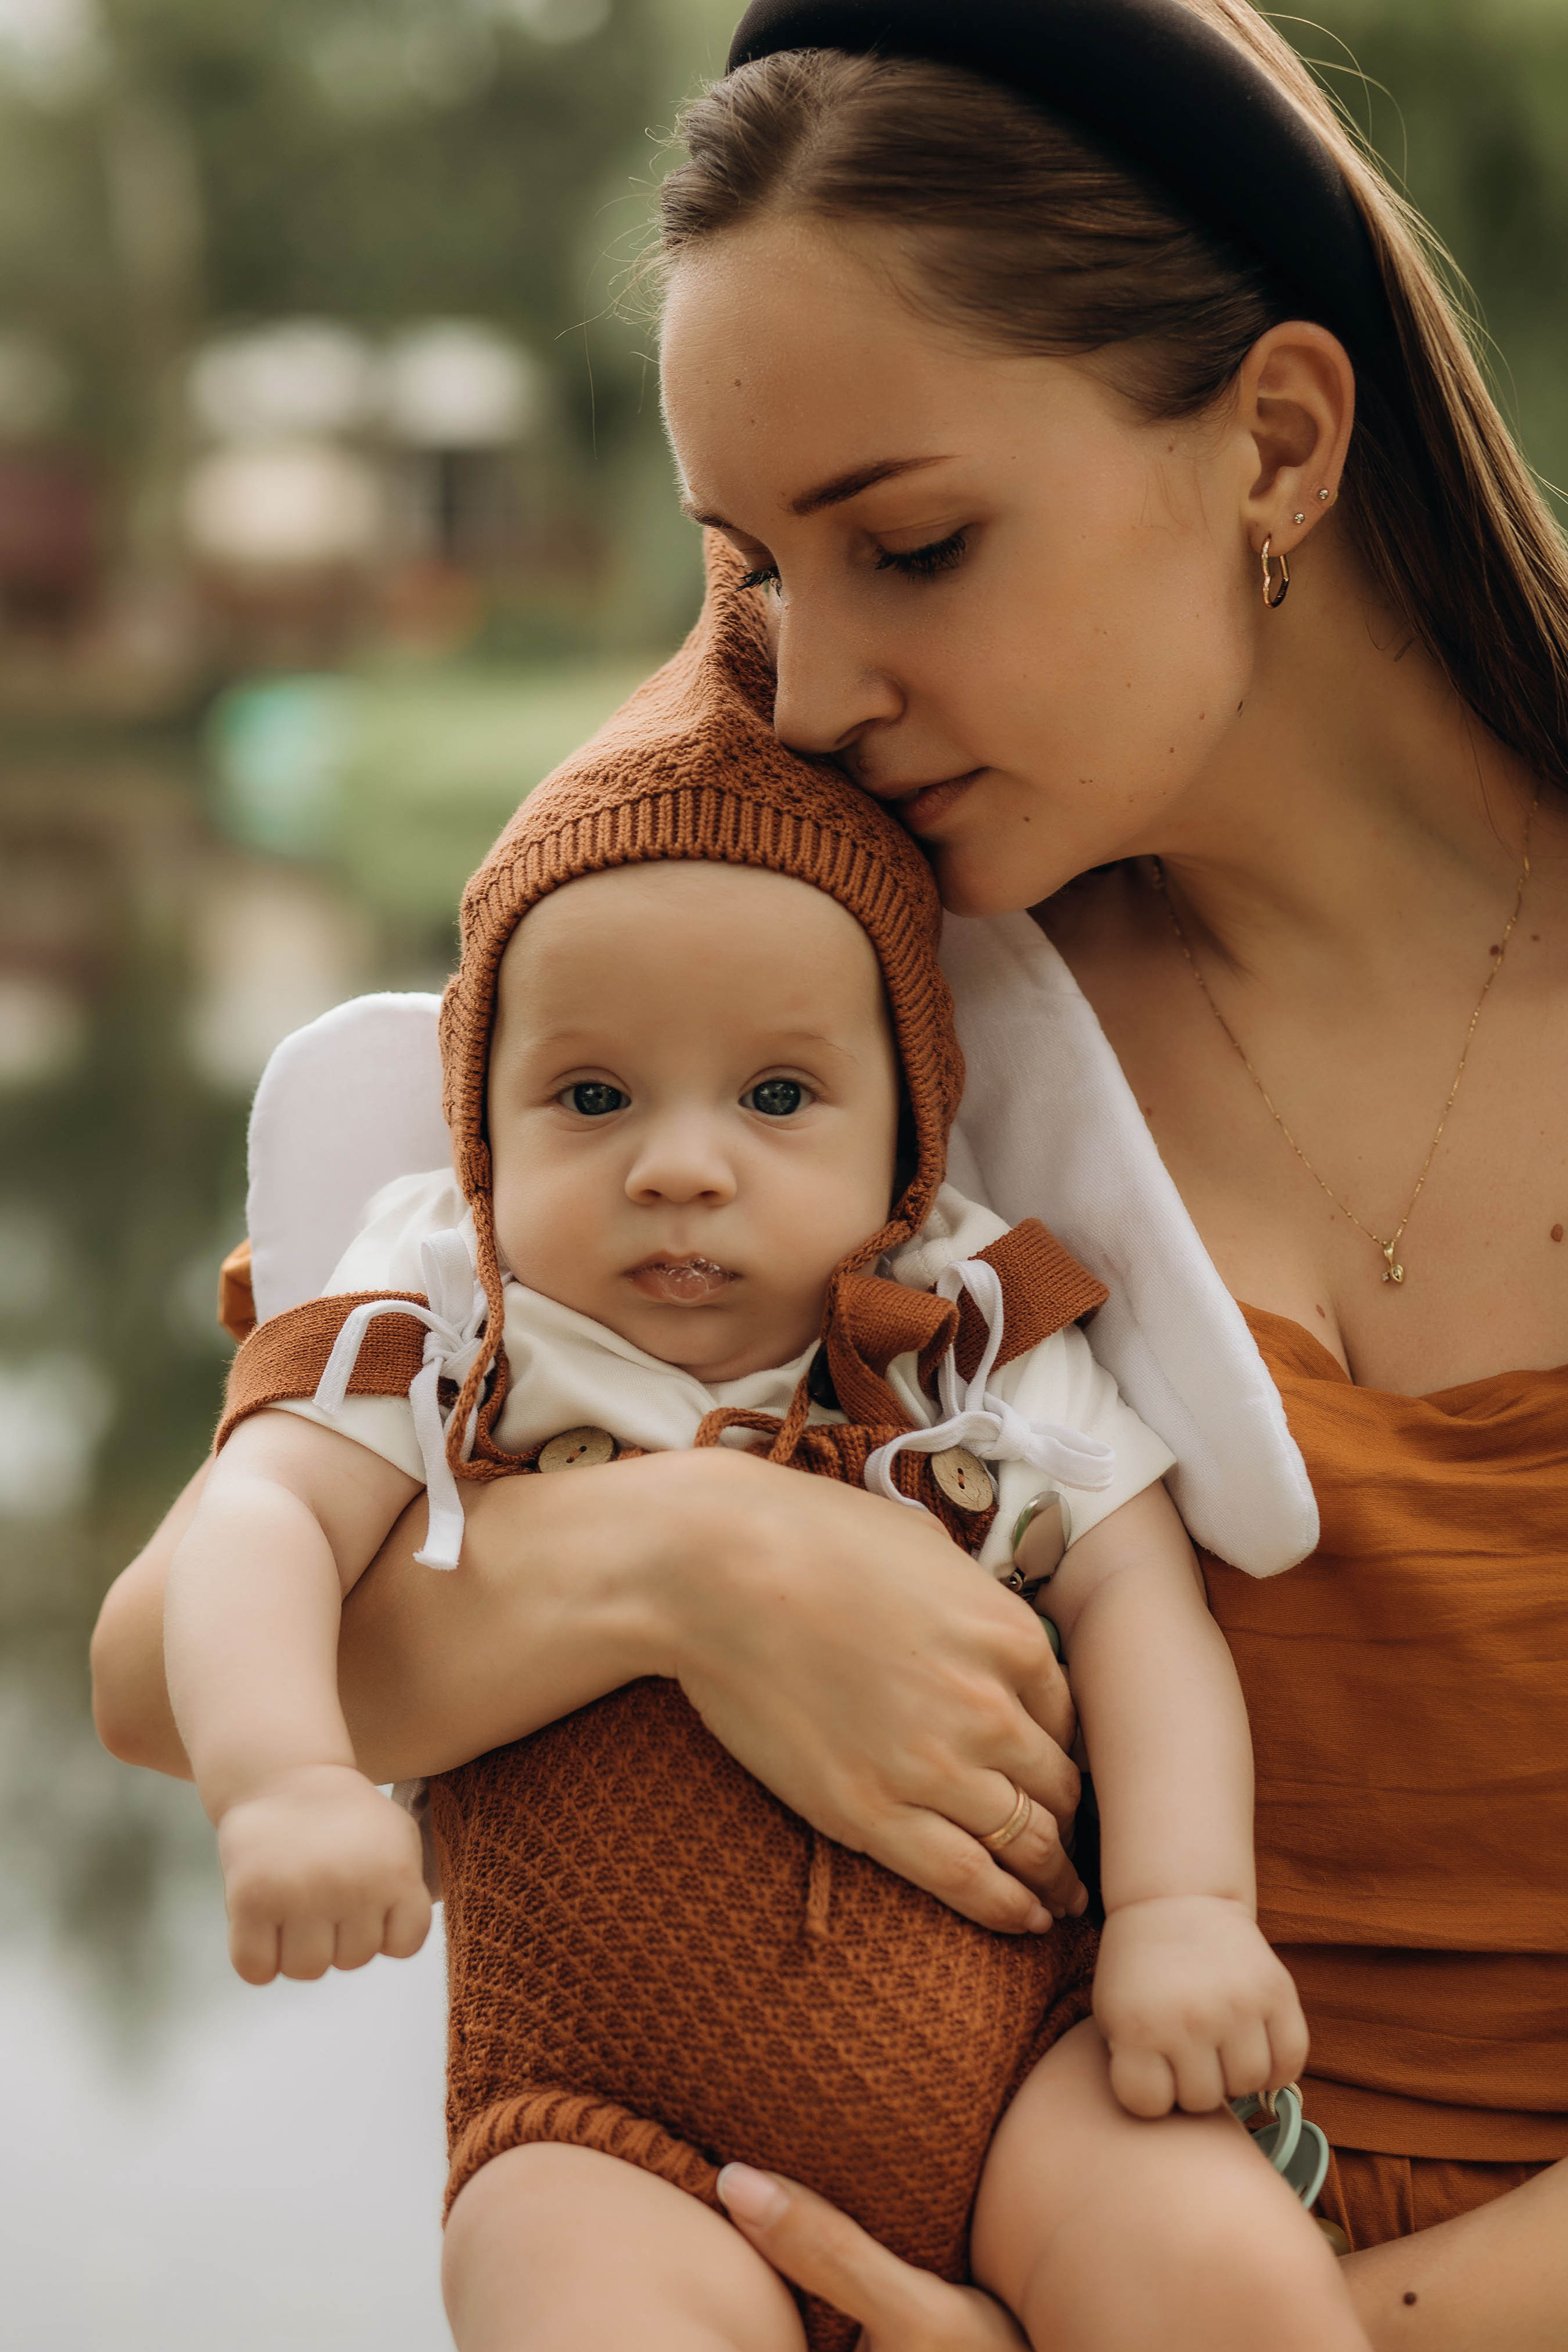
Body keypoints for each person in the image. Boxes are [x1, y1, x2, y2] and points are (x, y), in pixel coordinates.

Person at [92, 0, 1568, 2343]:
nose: (807, 692)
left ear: (1278, 442)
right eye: (757, 571)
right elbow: (169, 1673)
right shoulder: (837, 984)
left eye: (917, 545)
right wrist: (689, 1555)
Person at [169, 692, 1359, 2352]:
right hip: (606, 2131)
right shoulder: (454, 1316)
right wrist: (285, 1780)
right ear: (479, 1127)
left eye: (779, 1096)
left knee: (1223, 2280)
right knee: (576, 2300)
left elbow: (1139, 1604)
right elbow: (262, 1518)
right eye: (592, 1096)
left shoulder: (964, 1332)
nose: (681, 1167)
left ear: (908, 1128)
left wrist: (1184, 1911)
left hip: (1027, 2070)